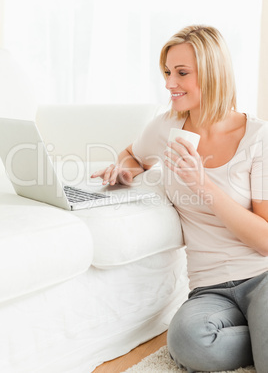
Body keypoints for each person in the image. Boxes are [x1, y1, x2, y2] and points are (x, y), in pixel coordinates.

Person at [91, 25, 268, 372]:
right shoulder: (166, 127)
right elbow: (132, 153)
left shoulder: (257, 137)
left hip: (262, 277)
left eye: (182, 73)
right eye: (168, 72)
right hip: (210, 289)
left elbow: (265, 240)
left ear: (213, 74)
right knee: (187, 343)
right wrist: (125, 171)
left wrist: (204, 185)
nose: (170, 83)